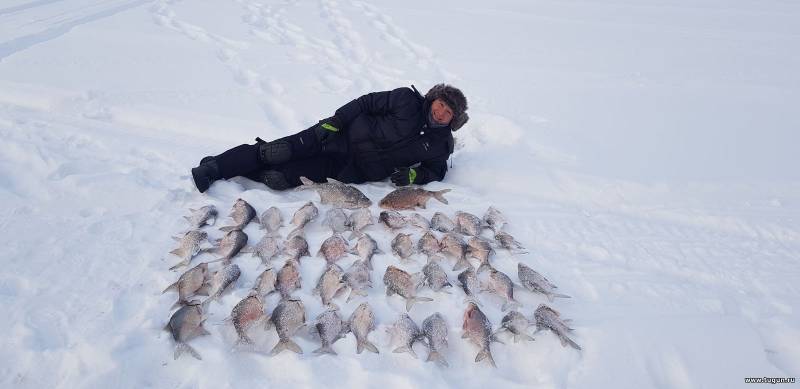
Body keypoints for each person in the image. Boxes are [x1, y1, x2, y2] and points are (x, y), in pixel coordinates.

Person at [191, 84, 468, 193]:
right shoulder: (406, 99)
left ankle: (232, 163)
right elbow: (364, 103)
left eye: (448, 111)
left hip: (350, 170)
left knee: (280, 178)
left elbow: (436, 170)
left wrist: (414, 176)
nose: (441, 112)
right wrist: (336, 120)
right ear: (434, 98)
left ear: (453, 119)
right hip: (337, 136)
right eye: (441, 104)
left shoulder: (442, 143)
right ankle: (214, 167)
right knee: (275, 152)